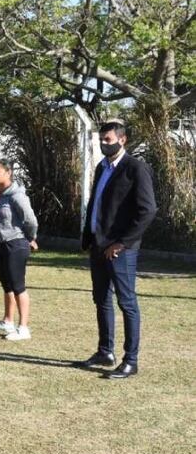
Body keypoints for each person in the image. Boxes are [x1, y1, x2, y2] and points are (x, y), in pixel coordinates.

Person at [76, 119, 157, 379]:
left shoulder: (136, 168)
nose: (103, 143)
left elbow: (148, 210)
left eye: (108, 139)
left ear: (122, 140)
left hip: (121, 249)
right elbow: (97, 204)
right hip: (98, 245)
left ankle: (131, 360)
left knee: (127, 302)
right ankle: (105, 352)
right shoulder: (102, 167)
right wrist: (89, 237)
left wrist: (122, 243)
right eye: (101, 139)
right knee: (101, 300)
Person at [0, 159, 39, 341]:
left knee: (18, 287)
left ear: (8, 173)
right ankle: (8, 321)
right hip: (0, 244)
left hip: (15, 245)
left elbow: (30, 220)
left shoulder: (17, 195)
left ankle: (23, 328)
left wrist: (31, 237)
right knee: (7, 285)